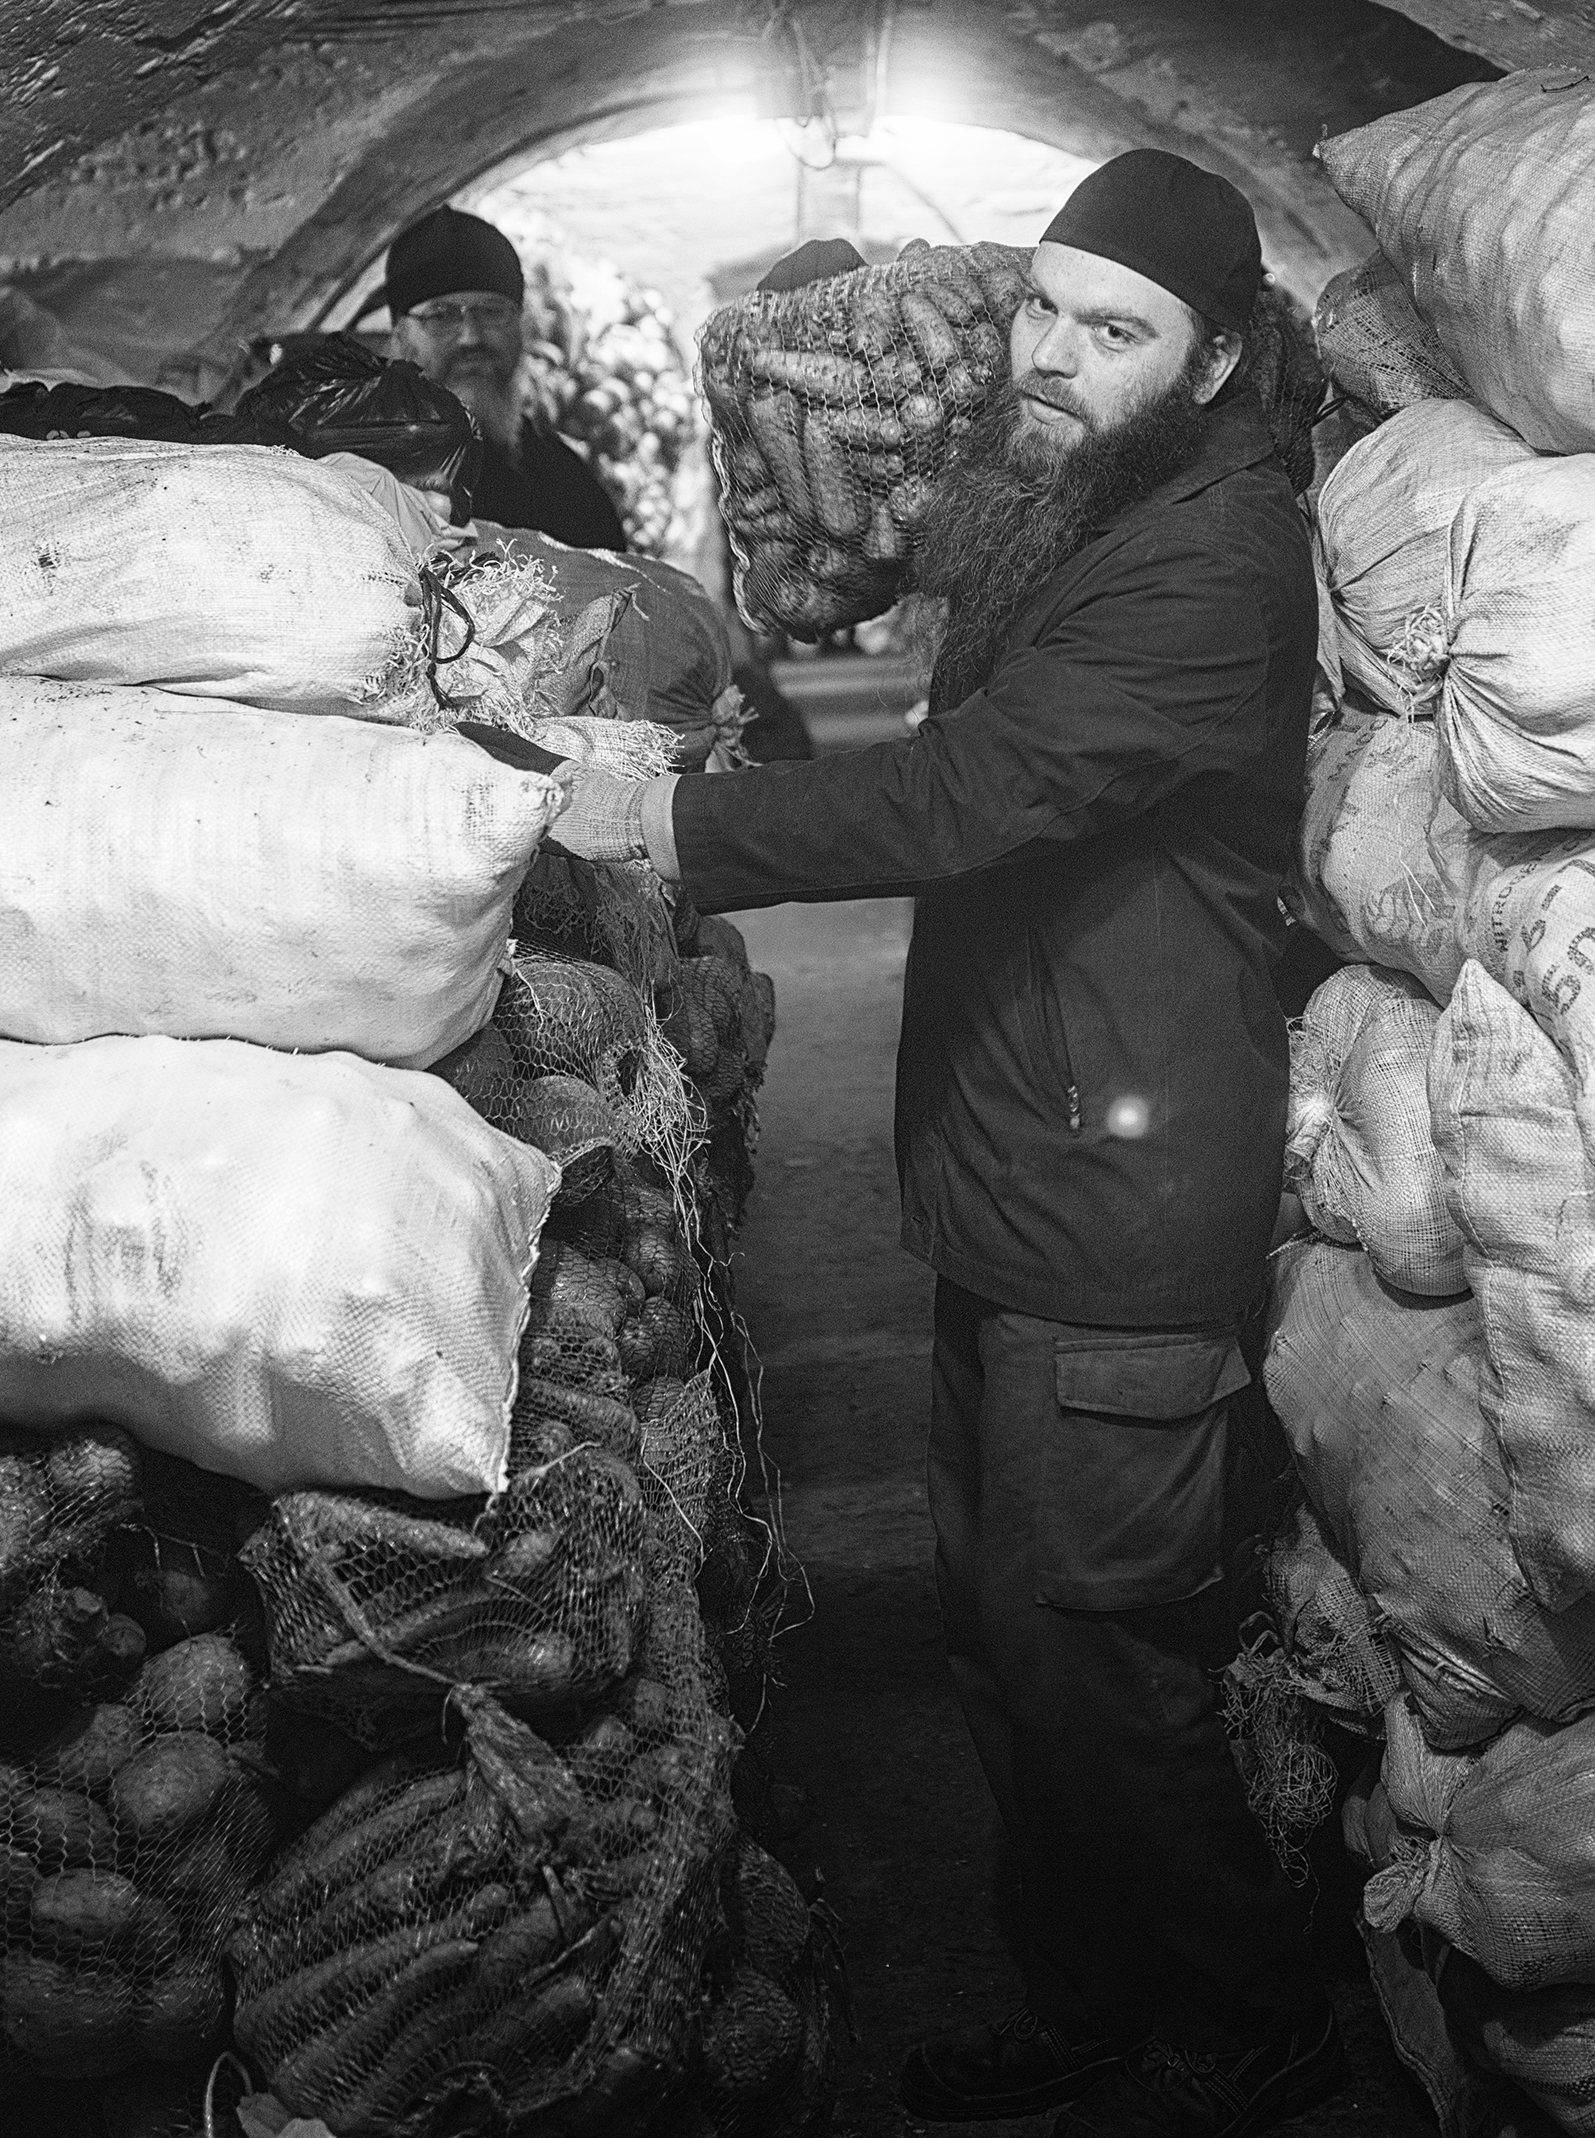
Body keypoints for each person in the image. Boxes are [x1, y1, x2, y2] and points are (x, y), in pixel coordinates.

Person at [550, 150, 1336, 2138]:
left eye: (1119, 327)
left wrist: (684, 831)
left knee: (1100, 1657)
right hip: (1012, 1160)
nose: (1060, 356)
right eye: (1050, 308)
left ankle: (1244, 2022)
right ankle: (1084, 1990)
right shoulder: (1072, 493)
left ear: (1222, 353)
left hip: (1126, 1190)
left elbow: (982, 788)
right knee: (1001, 1640)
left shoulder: (1218, 561)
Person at [376, 207, 631, 553]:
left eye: (492, 312)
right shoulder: (368, 480)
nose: (471, 337)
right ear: (401, 336)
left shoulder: (568, 484)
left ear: (522, 327)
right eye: (442, 315)